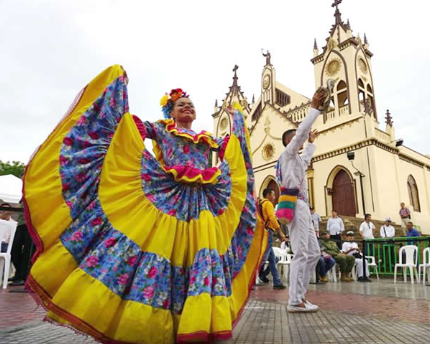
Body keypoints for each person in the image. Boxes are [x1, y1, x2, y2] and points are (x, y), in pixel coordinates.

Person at [22, 65, 266, 343]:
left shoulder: (207, 139)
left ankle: (196, 317)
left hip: (202, 201)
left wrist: (237, 123)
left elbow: (234, 150)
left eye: (190, 105)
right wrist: (119, 95)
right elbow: (129, 126)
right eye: (180, 105)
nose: (187, 107)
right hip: (167, 196)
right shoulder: (162, 130)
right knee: (162, 249)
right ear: (171, 112)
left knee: (197, 254)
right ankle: (154, 321)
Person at [276, 88, 328, 313]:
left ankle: (300, 296)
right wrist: (314, 109)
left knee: (313, 253)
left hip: (303, 206)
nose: (302, 137)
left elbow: (305, 159)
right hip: (294, 204)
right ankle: (294, 300)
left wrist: (312, 143)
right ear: (289, 141)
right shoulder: (287, 154)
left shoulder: (295, 160)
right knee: (300, 252)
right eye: (297, 136)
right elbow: (299, 137)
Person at [258, 188, 287, 290]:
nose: (275, 197)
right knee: (264, 257)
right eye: (273, 194)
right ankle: (250, 278)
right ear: (269, 194)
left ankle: (276, 281)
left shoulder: (260, 204)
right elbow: (272, 217)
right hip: (268, 231)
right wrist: (280, 232)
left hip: (262, 231)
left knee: (272, 258)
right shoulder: (268, 204)